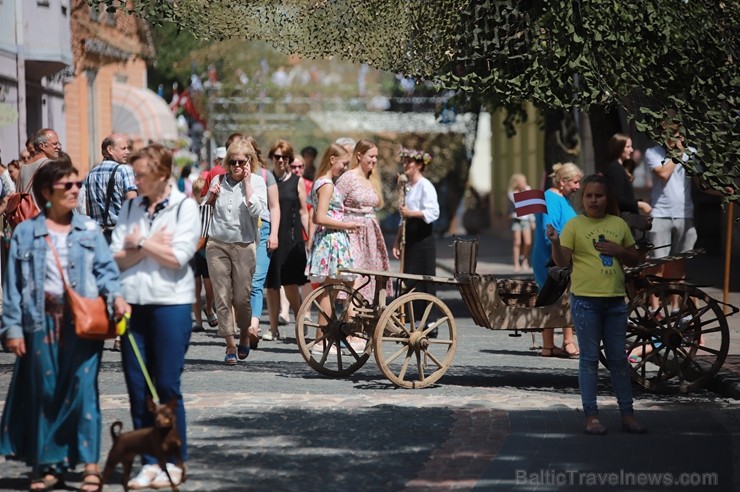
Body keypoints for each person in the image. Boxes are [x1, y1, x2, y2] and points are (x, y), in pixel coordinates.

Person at [0, 158, 129, 492]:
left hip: (82, 324)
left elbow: (106, 272)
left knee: (83, 392)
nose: (76, 190)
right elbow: (12, 286)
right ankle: (50, 465)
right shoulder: (26, 232)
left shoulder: (88, 229)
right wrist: (11, 329)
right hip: (39, 323)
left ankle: (88, 464)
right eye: (67, 186)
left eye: (77, 184)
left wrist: (116, 297)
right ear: (46, 192)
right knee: (46, 392)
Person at [110, 144, 200, 489]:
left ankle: (174, 460)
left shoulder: (184, 207)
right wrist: (149, 246)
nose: (136, 180)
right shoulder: (131, 205)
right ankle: (149, 462)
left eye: (141, 174)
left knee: (165, 386)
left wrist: (140, 243)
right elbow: (115, 255)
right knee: (137, 389)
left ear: (162, 174)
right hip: (132, 304)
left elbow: (178, 257)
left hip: (170, 305)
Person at [547, 174, 646, 435]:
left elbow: (635, 259)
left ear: (607, 199)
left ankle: (627, 414)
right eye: (589, 195)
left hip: (614, 303)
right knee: (589, 361)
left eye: (598, 195)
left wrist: (620, 251)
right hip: (585, 303)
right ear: (583, 198)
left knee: (618, 360)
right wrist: (555, 241)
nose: (593, 200)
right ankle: (591, 416)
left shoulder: (618, 224)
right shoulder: (574, 226)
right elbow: (561, 262)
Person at [205, 140, 267, 363]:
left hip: (244, 245)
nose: (237, 166)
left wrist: (248, 183)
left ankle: (243, 335)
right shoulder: (218, 180)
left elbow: (257, 210)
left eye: (242, 161)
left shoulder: (258, 182)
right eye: (232, 162)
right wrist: (211, 196)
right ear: (227, 163)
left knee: (242, 298)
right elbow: (204, 208)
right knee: (222, 295)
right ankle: (229, 345)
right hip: (217, 244)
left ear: (249, 162)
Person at [305, 144, 361, 353]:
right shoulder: (326, 184)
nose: (344, 168)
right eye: (343, 163)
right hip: (332, 240)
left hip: (330, 239)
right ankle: (323, 339)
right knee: (330, 291)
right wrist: (347, 224)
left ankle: (325, 337)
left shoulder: (321, 182)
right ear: (332, 160)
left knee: (333, 288)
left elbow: (314, 216)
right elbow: (319, 217)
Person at [532, 162, 582, 358]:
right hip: (551, 257)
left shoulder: (562, 197)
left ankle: (549, 346)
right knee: (561, 298)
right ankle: (568, 342)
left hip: (560, 256)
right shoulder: (552, 198)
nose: (578, 187)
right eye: (576, 182)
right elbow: (549, 230)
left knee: (555, 298)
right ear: (563, 181)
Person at [645, 128, 696, 313]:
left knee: (678, 264)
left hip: (684, 213)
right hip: (661, 213)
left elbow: (700, 183)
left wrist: (724, 191)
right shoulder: (653, 152)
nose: (675, 138)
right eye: (671, 133)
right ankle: (655, 308)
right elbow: (663, 174)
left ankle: (676, 307)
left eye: (679, 133)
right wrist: (678, 154)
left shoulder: (692, 153)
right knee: (657, 262)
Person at [263, 140, 309, 342]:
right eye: (277, 156)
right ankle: (273, 329)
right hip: (270, 236)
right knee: (271, 285)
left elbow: (303, 211)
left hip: (291, 238)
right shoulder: (266, 179)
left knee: (290, 284)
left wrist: (310, 237)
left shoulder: (297, 181)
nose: (281, 160)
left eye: (285, 157)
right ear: (272, 158)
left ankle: (300, 320)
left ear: (290, 159)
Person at [335, 139, 391, 300]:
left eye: (376, 157)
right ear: (359, 155)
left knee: (371, 278)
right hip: (351, 234)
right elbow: (335, 206)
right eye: (371, 156)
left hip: (371, 235)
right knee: (356, 279)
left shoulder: (373, 179)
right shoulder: (348, 178)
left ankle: (362, 320)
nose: (374, 160)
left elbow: (374, 210)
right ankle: (351, 321)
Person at [392, 147, 439, 330]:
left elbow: (433, 212)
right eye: (404, 162)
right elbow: (402, 218)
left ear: (419, 165)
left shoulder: (425, 185)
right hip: (409, 235)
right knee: (410, 278)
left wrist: (411, 212)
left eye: (409, 162)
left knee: (424, 277)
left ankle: (429, 320)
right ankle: (413, 317)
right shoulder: (408, 187)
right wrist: (397, 241)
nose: (405, 165)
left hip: (423, 236)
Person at [243, 135, 280, 349]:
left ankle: (253, 327)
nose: (242, 161)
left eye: (248, 155)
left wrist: (274, 233)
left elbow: (274, 207)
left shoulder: (266, 176)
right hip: (240, 230)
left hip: (263, 228)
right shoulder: (233, 175)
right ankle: (243, 327)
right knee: (240, 282)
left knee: (257, 281)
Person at [190, 177, 217, 332]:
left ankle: (208, 307)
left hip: (206, 251)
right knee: (195, 287)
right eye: (200, 193)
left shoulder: (209, 208)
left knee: (209, 287)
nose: (202, 196)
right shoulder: (191, 209)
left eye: (204, 193)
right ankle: (199, 321)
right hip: (194, 253)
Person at [602, 133, 652, 216]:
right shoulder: (615, 169)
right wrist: (640, 204)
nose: (631, 150)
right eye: (628, 147)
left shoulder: (620, 167)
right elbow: (618, 199)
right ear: (619, 148)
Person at [507, 173, 536, 272]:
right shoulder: (511, 194)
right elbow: (514, 207)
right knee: (517, 242)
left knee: (528, 242)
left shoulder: (526, 191)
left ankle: (524, 259)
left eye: (525, 181)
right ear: (517, 183)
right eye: (522, 182)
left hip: (526, 220)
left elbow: (530, 207)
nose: (525, 183)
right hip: (516, 220)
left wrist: (532, 220)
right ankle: (516, 263)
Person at [17, 128, 61, 194]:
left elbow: (18, 193)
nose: (58, 147)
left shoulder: (23, 167)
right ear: (42, 146)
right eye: (55, 144)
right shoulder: (50, 165)